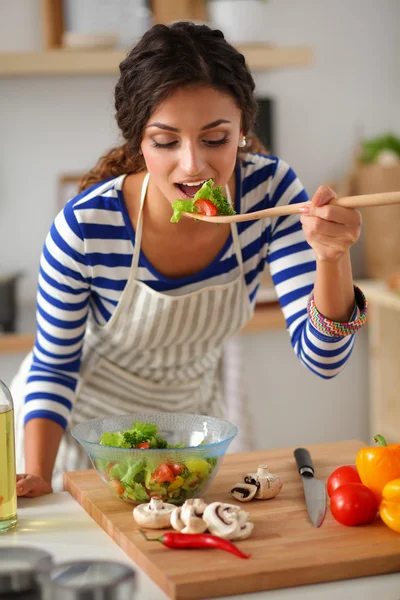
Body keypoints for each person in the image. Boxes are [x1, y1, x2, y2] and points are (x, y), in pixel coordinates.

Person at [12, 21, 367, 498]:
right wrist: (37, 475)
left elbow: (323, 360)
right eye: (166, 141)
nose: (193, 164)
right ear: (138, 140)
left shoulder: (270, 193)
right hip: (85, 441)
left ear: (242, 129)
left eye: (215, 139)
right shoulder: (84, 227)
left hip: (191, 437)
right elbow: (55, 367)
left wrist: (332, 256)